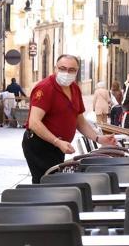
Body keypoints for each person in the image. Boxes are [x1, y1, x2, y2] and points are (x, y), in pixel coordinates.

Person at [22, 55, 117, 184]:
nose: (66, 73)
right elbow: (34, 122)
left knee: (55, 183)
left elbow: (80, 121)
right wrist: (57, 141)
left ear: (77, 71)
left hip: (58, 146)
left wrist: (99, 138)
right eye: (62, 68)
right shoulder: (45, 88)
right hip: (40, 144)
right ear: (55, 68)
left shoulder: (74, 89)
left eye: (71, 70)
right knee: (46, 184)